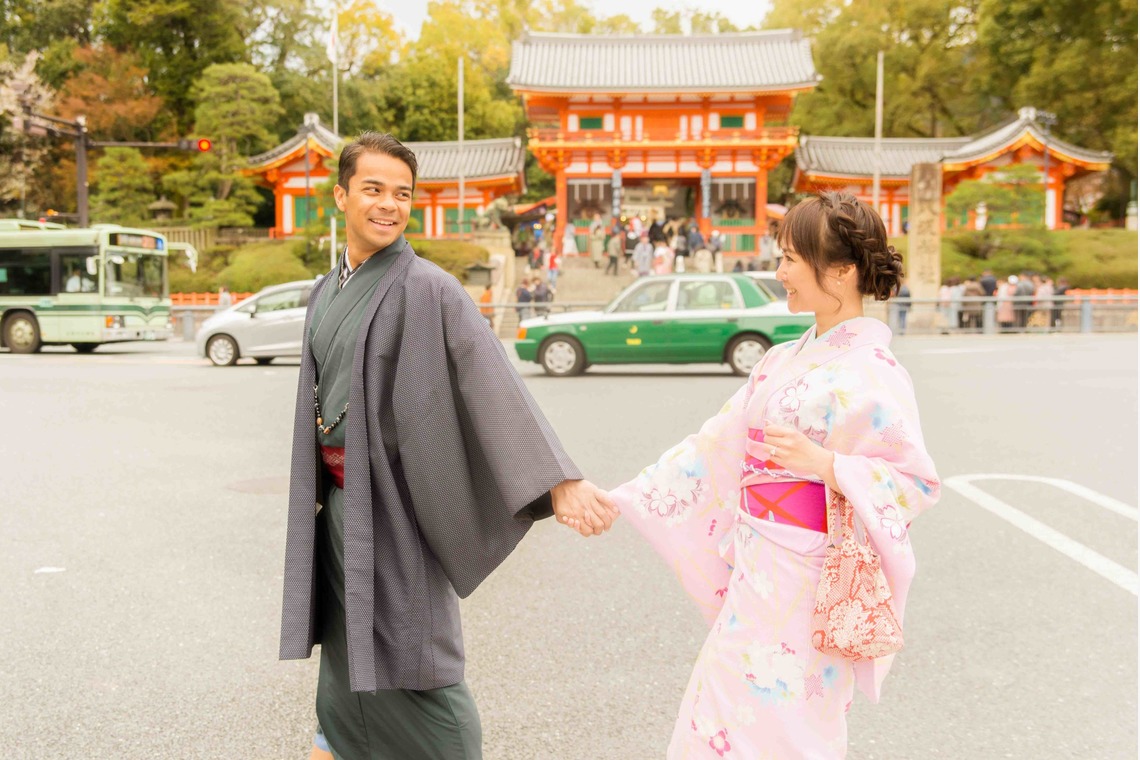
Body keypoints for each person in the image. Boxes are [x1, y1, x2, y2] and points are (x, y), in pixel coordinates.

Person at [281, 133, 618, 760]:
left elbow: (489, 379)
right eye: (374, 190)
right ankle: (339, 743)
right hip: (338, 510)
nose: (389, 205)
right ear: (341, 195)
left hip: (396, 512)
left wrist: (556, 480)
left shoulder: (429, 288)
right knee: (345, 651)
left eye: (402, 195)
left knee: (419, 655)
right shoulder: (325, 294)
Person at [608, 191, 940, 757]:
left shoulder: (873, 371)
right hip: (758, 568)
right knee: (722, 710)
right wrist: (623, 497)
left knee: (793, 721)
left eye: (790, 258)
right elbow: (715, 443)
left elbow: (914, 482)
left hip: (810, 576)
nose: (778, 271)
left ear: (841, 270)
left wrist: (829, 466)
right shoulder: (781, 358)